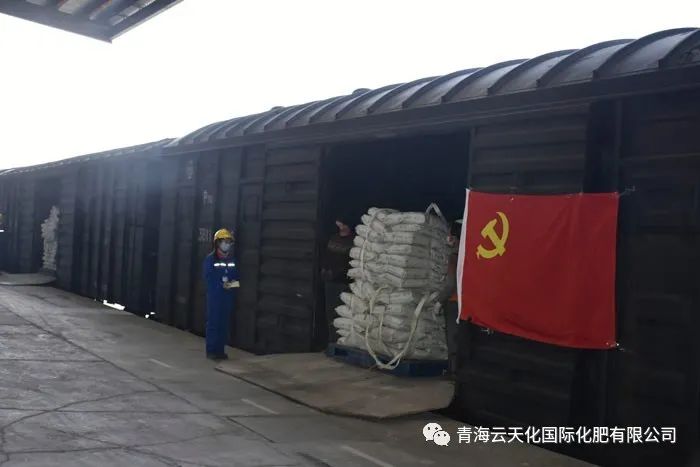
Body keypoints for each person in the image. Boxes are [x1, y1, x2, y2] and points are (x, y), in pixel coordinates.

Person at [203, 228, 239, 361]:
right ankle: (211, 350)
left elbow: (236, 278)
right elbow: (208, 277)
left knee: (223, 324)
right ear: (217, 243)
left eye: (229, 242)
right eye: (225, 241)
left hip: (227, 297)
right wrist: (221, 285)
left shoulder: (231, 260)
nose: (227, 244)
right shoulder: (210, 259)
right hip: (215, 297)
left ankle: (220, 351)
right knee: (214, 323)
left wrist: (232, 284)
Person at [321, 216, 355, 344]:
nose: (341, 226)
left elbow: (350, 263)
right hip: (330, 281)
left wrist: (338, 272)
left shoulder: (353, 241)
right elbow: (327, 256)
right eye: (340, 223)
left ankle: (342, 341)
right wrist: (324, 270)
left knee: (343, 312)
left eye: (344, 224)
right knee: (331, 312)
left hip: (343, 282)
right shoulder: (333, 238)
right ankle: (332, 340)